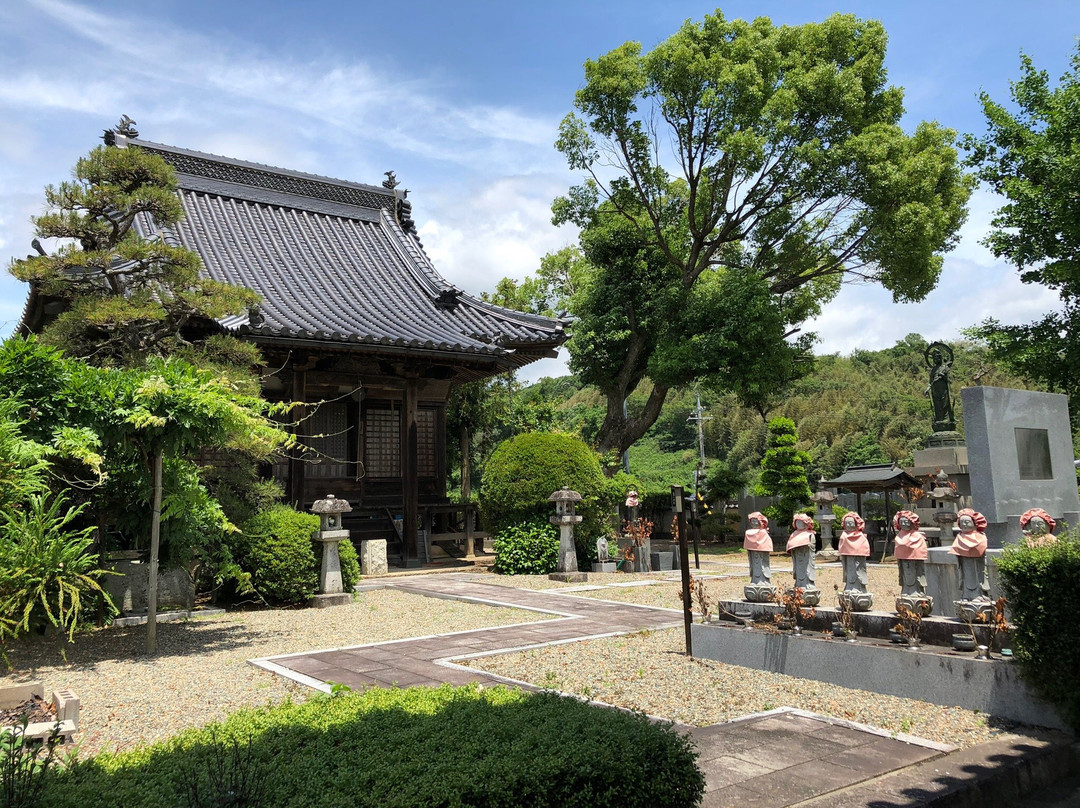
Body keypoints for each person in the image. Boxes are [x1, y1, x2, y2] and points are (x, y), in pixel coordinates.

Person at [951, 508, 990, 603]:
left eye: (967, 522)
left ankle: (978, 594)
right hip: (964, 564)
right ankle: (966, 594)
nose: (964, 524)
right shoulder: (960, 537)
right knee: (965, 576)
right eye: (962, 522)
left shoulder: (980, 537)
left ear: (975, 523)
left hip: (977, 564)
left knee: (977, 575)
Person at [893, 510, 930, 604]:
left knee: (916, 572)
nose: (904, 524)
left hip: (915, 564)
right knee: (904, 573)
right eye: (902, 522)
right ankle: (906, 590)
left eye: (906, 521)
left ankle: (917, 591)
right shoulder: (899, 537)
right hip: (904, 564)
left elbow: (920, 552)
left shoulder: (917, 536)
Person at [787, 513, 818, 598]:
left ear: (806, 524)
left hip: (806, 557)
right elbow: (790, 546)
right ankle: (798, 584)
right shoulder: (794, 535)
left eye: (801, 522)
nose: (799, 524)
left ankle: (808, 584)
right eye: (797, 522)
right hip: (797, 557)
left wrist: (807, 546)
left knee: (807, 569)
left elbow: (812, 547)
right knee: (798, 571)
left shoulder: (810, 534)